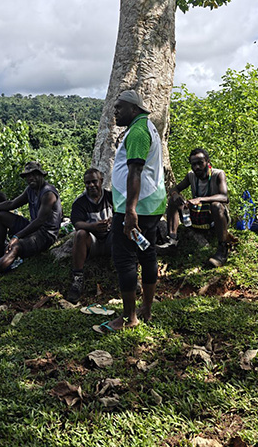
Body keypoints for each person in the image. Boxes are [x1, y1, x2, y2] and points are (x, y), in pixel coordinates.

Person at [95, 90, 166, 334]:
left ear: (134, 109)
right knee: (147, 253)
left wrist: (130, 212)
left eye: (120, 107)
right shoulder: (146, 127)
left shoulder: (137, 131)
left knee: (124, 258)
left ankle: (129, 317)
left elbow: (135, 172)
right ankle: (146, 308)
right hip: (151, 205)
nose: (115, 112)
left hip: (136, 207)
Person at [0, 161, 62, 291]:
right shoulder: (30, 190)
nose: (31, 178)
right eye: (28, 176)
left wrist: (17, 236)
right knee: (1, 215)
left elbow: (40, 221)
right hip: (33, 228)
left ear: (41, 175)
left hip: (45, 234)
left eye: (34, 175)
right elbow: (11, 204)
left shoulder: (48, 193)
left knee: (16, 246)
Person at [159, 148, 232, 267]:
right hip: (197, 217)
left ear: (208, 162)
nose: (197, 167)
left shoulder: (218, 174)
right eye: (194, 164)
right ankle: (172, 240)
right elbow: (174, 189)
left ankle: (222, 248)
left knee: (216, 206)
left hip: (214, 217)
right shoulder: (191, 176)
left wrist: (200, 199)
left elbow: (224, 197)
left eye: (200, 163)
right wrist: (175, 194)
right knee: (173, 200)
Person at [66, 168, 113, 303]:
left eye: (94, 182)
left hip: (111, 239)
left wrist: (112, 221)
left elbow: (122, 214)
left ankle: (130, 275)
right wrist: (93, 226)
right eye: (87, 183)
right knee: (80, 234)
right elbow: (77, 224)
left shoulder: (111, 197)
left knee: (122, 230)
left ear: (101, 181)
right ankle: (77, 279)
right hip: (92, 242)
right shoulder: (80, 202)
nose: (91, 185)